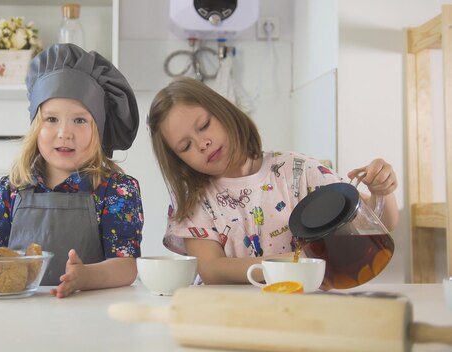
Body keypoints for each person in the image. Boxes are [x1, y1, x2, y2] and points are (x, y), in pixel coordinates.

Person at [0, 43, 143, 298]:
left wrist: (85, 277)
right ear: (35, 127)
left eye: (80, 120)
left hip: (88, 314)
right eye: (51, 119)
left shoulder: (116, 190)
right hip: (18, 318)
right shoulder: (11, 189)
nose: (64, 132)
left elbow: (126, 266)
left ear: (99, 130)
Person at [147, 76, 398, 285]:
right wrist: (295, 263)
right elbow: (212, 270)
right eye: (186, 145)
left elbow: (381, 223)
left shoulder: (296, 170)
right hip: (231, 317)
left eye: (204, 125)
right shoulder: (194, 201)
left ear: (223, 112)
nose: (203, 144)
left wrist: (381, 191)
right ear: (179, 160)